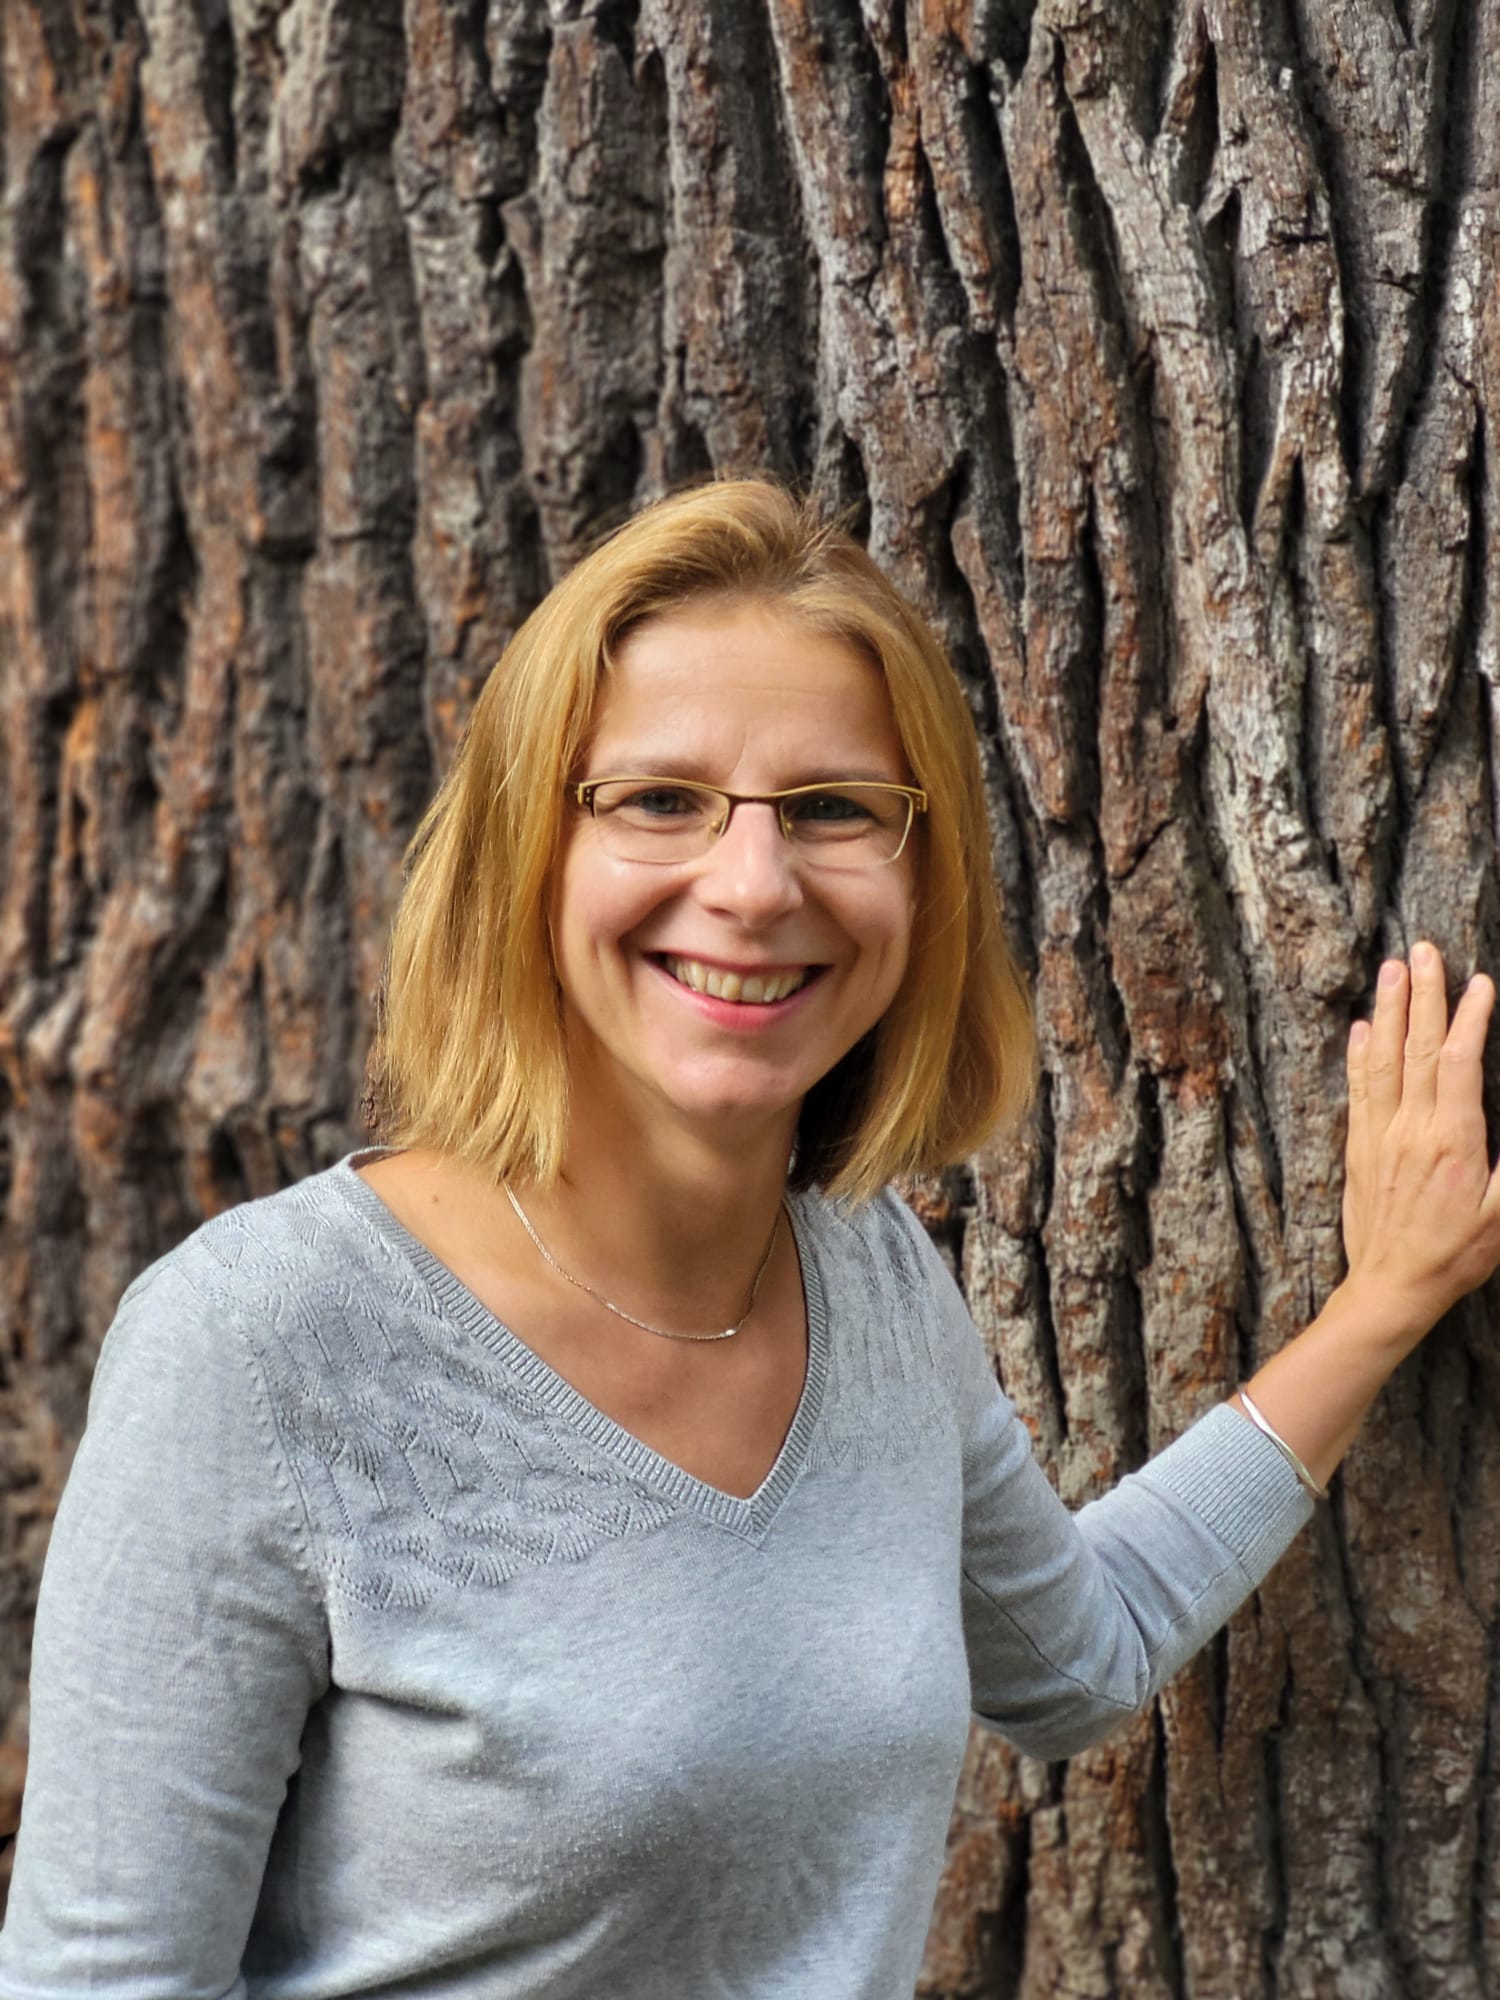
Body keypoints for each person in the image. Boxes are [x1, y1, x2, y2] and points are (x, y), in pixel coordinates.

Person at [1, 479, 1497, 1998]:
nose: (753, 884)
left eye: (833, 808)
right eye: (659, 800)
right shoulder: (258, 1346)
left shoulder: (871, 1281)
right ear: (530, 854)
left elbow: (1076, 1656)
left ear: (923, 879)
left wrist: (1384, 1301)